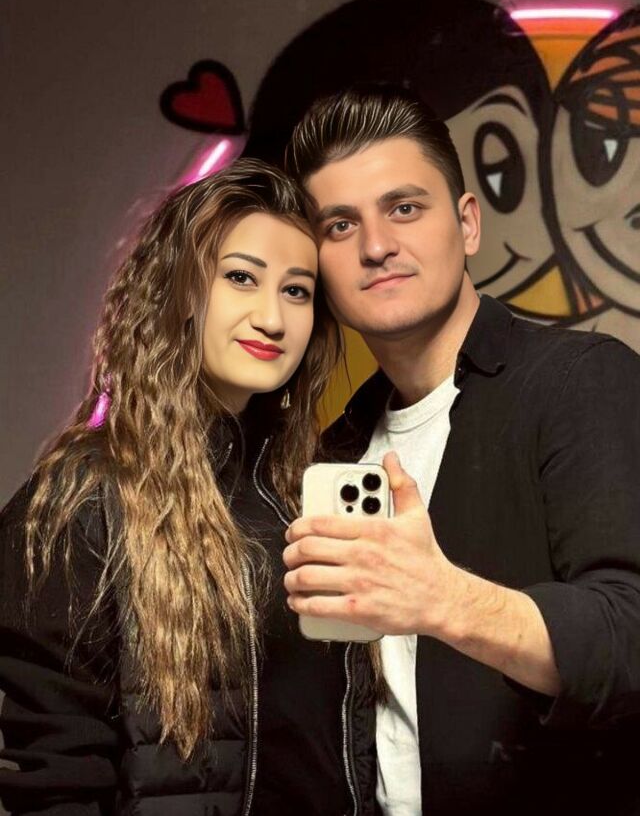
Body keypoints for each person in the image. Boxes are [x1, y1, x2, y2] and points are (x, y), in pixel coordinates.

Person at [282, 86, 640, 815]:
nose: (376, 246)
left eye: (404, 208)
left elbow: (630, 638)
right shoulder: (333, 451)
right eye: (340, 225)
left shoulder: (579, 380)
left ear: (468, 223)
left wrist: (444, 599)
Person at [0, 159, 377, 815]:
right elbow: (57, 776)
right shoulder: (84, 496)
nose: (272, 318)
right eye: (241, 278)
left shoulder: (312, 490)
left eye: (297, 291)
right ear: (177, 288)